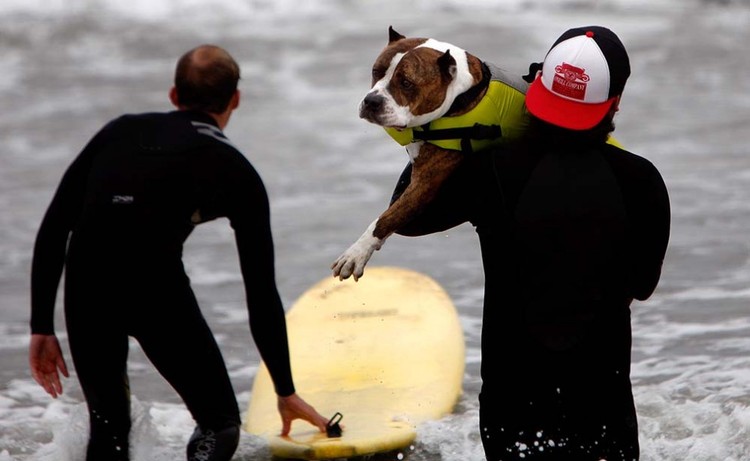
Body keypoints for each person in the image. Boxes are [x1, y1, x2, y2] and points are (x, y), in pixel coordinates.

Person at [28, 44, 330, 461]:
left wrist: (40, 326)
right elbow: (260, 291)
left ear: (173, 95)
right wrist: (284, 389)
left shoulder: (118, 132)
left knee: (110, 431)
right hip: (155, 290)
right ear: (235, 100)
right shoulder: (234, 171)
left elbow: (55, 226)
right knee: (217, 422)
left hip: (86, 288)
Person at [388, 26, 670, 460]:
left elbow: (406, 218)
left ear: (537, 84)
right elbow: (642, 285)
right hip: (602, 403)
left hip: (512, 403)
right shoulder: (642, 180)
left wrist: (439, 130)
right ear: (613, 102)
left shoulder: (489, 170)